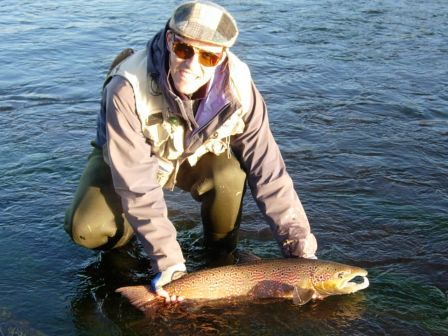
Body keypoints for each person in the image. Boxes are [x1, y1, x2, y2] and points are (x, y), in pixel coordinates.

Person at [64, 0, 317, 302]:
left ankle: (220, 255)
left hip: (192, 157)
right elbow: (136, 184)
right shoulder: (126, 87)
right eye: (183, 49)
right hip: (126, 162)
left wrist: (302, 252)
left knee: (229, 174)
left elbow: (269, 174)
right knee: (87, 227)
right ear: (169, 39)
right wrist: (169, 262)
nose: (191, 65)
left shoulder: (240, 89)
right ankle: (125, 250)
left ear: (222, 56)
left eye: (208, 56)